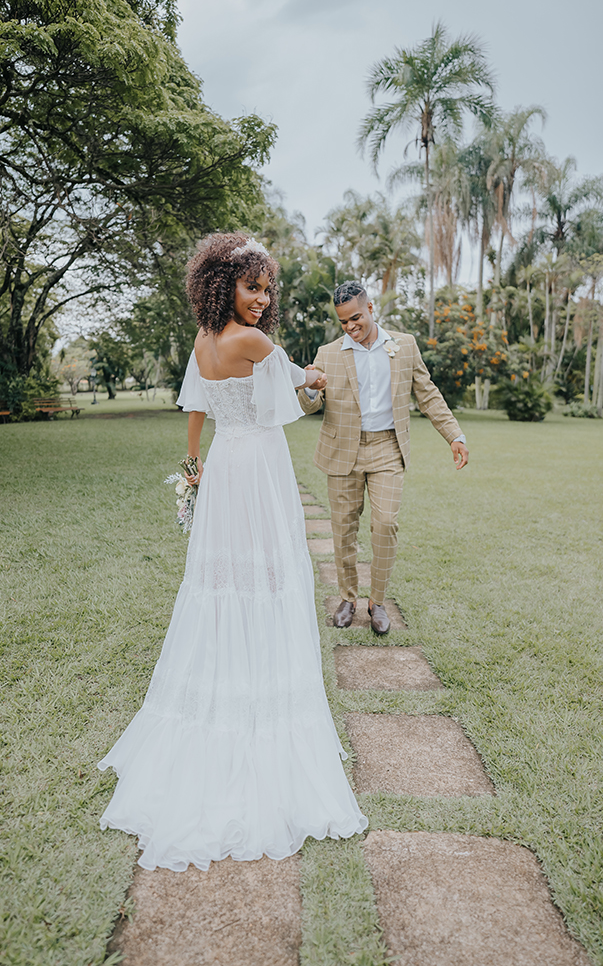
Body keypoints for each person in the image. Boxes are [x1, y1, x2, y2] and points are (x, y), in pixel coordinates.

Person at [97, 235, 368, 872]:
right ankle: (259, 684)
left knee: (222, 578)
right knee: (270, 574)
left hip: (223, 465)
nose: (262, 299)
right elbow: (293, 384)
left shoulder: (201, 340)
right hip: (258, 465)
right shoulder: (248, 341)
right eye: (253, 287)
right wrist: (314, 376)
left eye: (267, 288)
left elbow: (195, 405)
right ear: (224, 284)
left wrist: (192, 464)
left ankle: (229, 666)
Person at [298, 280, 468, 635]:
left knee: (386, 523)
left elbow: (428, 394)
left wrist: (454, 434)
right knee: (343, 527)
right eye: (344, 322)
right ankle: (347, 598)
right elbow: (310, 406)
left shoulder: (403, 346)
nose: (350, 327)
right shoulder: (327, 353)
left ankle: (377, 601)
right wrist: (309, 387)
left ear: (371, 308)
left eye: (356, 318)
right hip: (342, 448)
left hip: (388, 447)